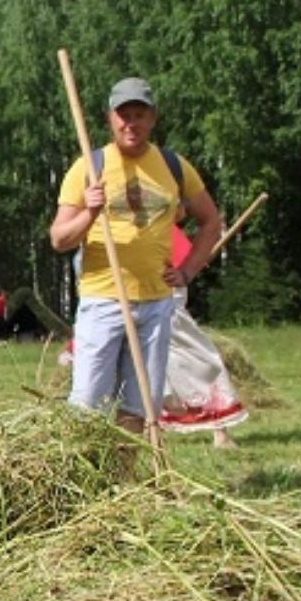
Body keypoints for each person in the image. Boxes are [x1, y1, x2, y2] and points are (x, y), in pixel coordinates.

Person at [51, 77, 222, 433]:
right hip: (103, 301)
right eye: (123, 115)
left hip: (156, 304)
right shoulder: (89, 167)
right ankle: (83, 481)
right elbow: (59, 239)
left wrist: (188, 271)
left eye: (139, 115)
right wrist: (89, 213)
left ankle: (125, 481)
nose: (131, 123)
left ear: (153, 118)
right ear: (110, 119)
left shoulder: (174, 166)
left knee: (139, 405)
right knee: (87, 403)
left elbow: (210, 222)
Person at [160, 222, 246, 447]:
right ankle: (154, 430)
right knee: (152, 368)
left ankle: (220, 431)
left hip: (165, 298)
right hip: (143, 295)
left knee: (201, 359)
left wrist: (188, 268)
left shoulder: (162, 225)